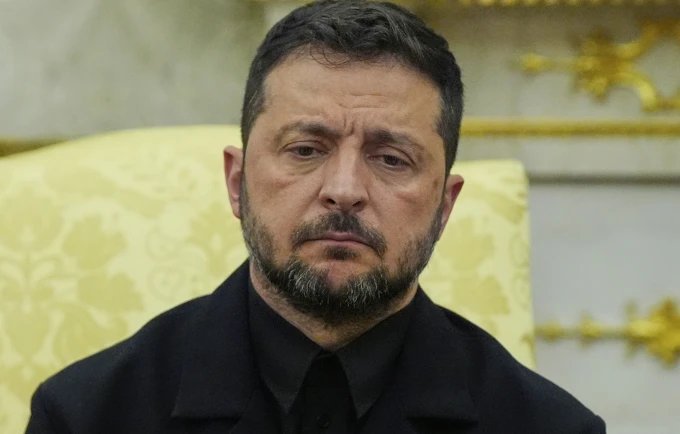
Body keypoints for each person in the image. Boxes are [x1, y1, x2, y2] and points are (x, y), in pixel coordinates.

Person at [25, 1, 606, 433]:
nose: (344, 191)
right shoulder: (86, 415)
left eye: (391, 158)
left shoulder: (550, 427)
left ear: (444, 206)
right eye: (305, 149)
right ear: (237, 182)